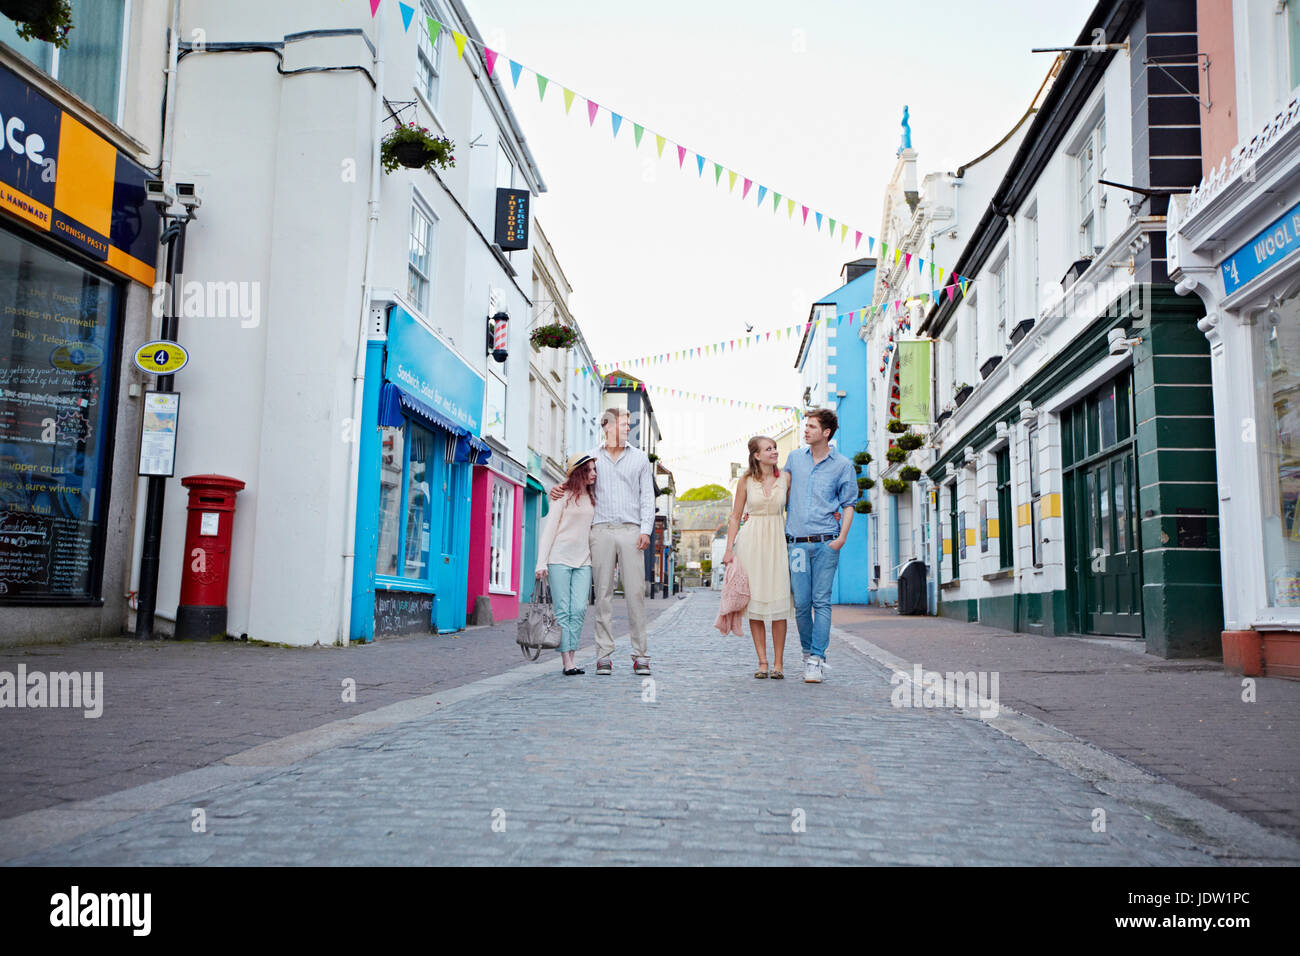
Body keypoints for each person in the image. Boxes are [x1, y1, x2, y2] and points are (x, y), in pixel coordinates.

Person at [549, 408, 655, 675]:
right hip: (600, 531)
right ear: (606, 426)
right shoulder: (592, 457)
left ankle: (640, 655)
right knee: (603, 595)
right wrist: (559, 487)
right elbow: (576, 482)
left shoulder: (640, 458)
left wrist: (646, 529)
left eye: (629, 424)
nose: (627, 428)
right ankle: (604, 655)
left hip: (631, 530)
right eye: (622, 424)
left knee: (635, 594)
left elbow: (647, 497)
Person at [783, 408, 857, 683]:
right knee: (802, 603)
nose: (806, 430)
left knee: (821, 601)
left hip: (827, 542)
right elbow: (781, 492)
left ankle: (816, 658)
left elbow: (849, 504)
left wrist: (841, 539)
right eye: (806, 426)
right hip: (797, 545)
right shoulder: (793, 459)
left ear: (826, 433)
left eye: (812, 427)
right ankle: (806, 653)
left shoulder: (843, 465)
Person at [720, 436, 793, 678]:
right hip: (750, 543)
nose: (774, 452)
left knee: (779, 602)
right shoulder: (746, 481)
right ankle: (762, 661)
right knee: (756, 603)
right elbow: (735, 515)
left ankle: (778, 664)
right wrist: (729, 549)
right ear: (756, 456)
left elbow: (794, 510)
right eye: (768, 449)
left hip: (777, 542)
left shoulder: (786, 478)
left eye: (774, 448)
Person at [535, 453, 598, 675]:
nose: (593, 474)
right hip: (559, 559)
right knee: (563, 610)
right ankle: (567, 661)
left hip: (584, 561)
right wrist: (541, 562)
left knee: (579, 609)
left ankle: (571, 655)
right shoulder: (562, 496)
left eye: (594, 470)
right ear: (579, 472)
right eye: (589, 470)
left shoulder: (593, 498)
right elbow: (549, 529)